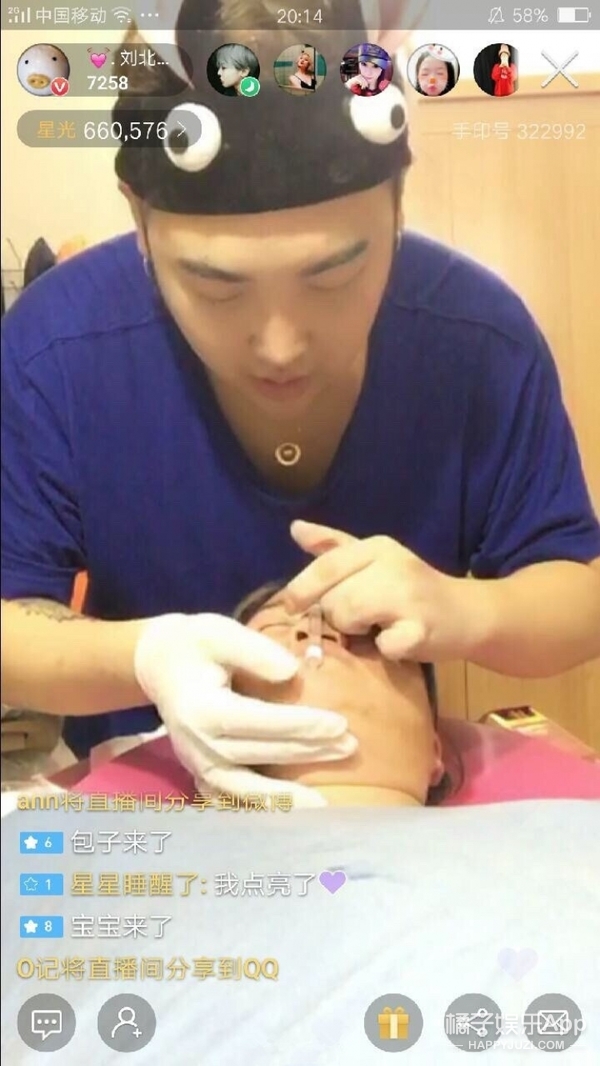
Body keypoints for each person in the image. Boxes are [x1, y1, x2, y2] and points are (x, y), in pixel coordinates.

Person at [2, 2, 600, 805]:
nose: (280, 345)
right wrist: (145, 658)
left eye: (333, 277)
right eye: (218, 287)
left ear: (398, 203)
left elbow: (577, 593)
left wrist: (467, 609)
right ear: (139, 219)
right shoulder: (56, 349)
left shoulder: (480, 342)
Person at [231, 581, 453, 807]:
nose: (316, 631)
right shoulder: (207, 813)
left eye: (367, 634)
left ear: (434, 750)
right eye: (275, 625)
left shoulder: (478, 825)